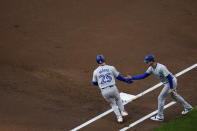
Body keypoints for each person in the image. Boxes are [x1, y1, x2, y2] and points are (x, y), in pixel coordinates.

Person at [130, 55, 193, 121]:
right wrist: (132, 78)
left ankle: (160, 116)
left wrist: (171, 88)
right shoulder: (151, 68)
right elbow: (143, 76)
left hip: (171, 82)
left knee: (161, 97)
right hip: (168, 82)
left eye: (147, 62)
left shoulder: (161, 68)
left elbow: (169, 77)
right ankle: (188, 107)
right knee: (174, 96)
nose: (146, 63)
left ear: (151, 61)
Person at [92, 54, 133, 123]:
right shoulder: (111, 68)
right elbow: (118, 77)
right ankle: (122, 111)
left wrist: (100, 84)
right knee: (118, 99)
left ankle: (119, 117)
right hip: (113, 88)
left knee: (113, 104)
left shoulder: (95, 71)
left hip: (104, 91)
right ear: (104, 60)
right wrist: (126, 80)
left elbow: (94, 83)